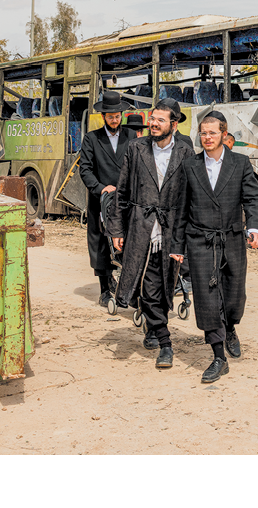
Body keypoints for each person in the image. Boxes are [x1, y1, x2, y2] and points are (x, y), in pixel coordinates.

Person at [168, 110, 258, 384]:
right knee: (207, 300)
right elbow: (181, 209)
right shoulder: (190, 166)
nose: (207, 138)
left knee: (234, 296)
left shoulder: (240, 163)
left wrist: (256, 228)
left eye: (212, 133)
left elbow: (253, 199)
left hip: (232, 239)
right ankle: (218, 357)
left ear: (225, 135)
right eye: (203, 133)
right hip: (200, 242)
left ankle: (231, 327)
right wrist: (177, 245)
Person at [107, 104, 194, 368]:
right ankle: (165, 343)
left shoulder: (185, 151)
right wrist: (117, 230)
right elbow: (122, 191)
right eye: (152, 118)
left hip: (170, 229)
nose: (153, 123)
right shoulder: (136, 149)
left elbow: (190, 196)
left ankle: (152, 325)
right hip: (141, 227)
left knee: (165, 283)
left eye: (160, 120)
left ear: (174, 125)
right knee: (148, 282)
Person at [77, 100, 137, 306]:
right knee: (101, 243)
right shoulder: (92, 138)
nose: (114, 119)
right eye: (110, 116)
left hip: (127, 199)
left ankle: (130, 289)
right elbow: (84, 169)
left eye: (118, 115)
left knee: (129, 242)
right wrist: (101, 187)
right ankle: (104, 290)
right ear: (103, 117)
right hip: (101, 199)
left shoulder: (130, 136)